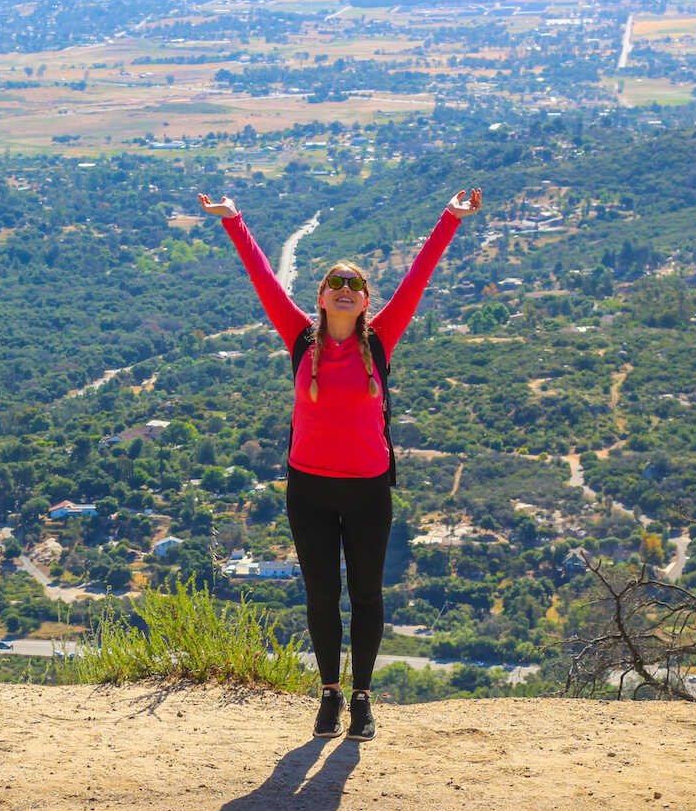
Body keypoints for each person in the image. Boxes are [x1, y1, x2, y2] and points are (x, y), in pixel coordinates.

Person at [198, 186, 483, 741]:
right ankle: (329, 693)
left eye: (356, 284)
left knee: (368, 596)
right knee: (322, 594)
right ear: (322, 296)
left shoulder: (381, 340)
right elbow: (264, 282)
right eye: (337, 283)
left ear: (367, 300)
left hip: (368, 490)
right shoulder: (299, 339)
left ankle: (362, 698)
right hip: (308, 489)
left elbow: (418, 279)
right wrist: (234, 221)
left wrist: (450, 217)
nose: (347, 289)